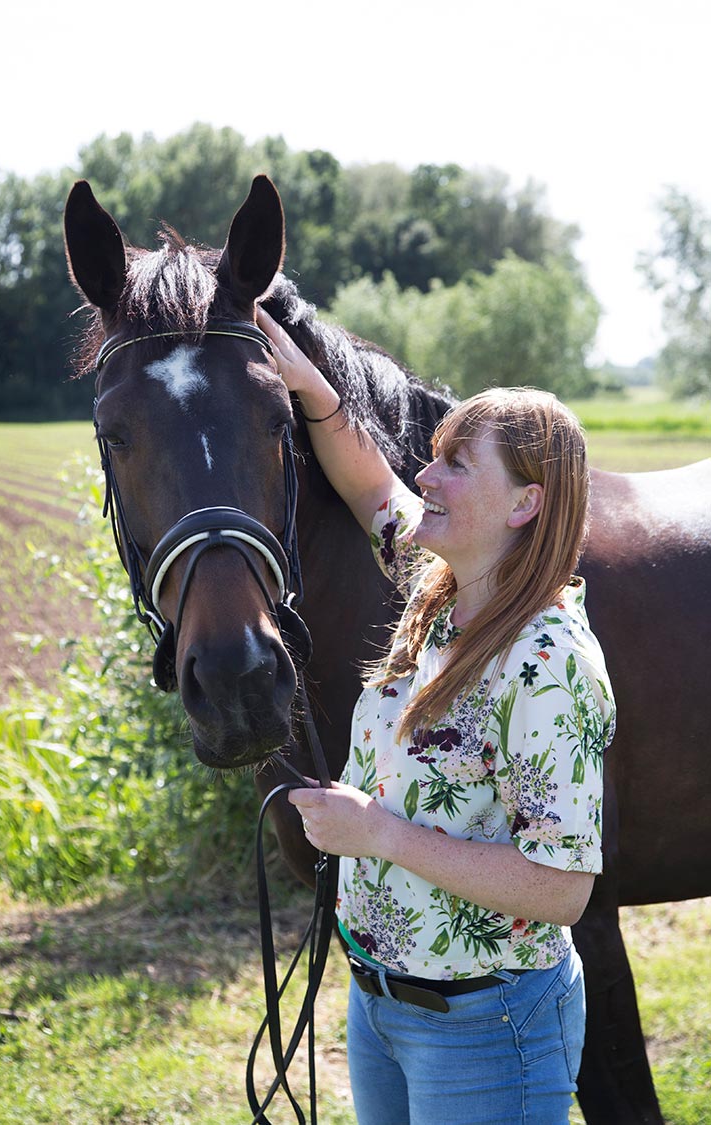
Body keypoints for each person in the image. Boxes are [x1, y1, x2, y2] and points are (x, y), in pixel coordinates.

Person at [257, 308, 616, 1125]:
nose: (427, 477)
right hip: (384, 1005)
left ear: (525, 503)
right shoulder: (437, 590)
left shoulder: (549, 661)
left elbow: (561, 887)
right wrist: (310, 384)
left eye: (457, 464)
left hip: (486, 1025)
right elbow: (370, 483)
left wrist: (375, 832)